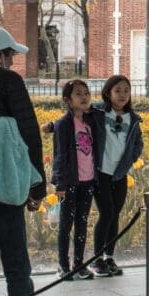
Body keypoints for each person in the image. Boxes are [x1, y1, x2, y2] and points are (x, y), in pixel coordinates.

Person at [0, 26, 45, 296]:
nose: (11, 63)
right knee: (16, 270)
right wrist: (37, 188)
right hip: (5, 189)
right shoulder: (9, 82)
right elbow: (29, 135)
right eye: (10, 56)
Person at [50, 79, 103, 281]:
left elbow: (100, 111)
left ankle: (79, 264)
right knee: (66, 225)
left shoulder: (90, 121)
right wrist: (60, 184)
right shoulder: (63, 125)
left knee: (82, 223)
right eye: (78, 94)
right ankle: (63, 266)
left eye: (86, 93)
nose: (84, 97)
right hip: (70, 182)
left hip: (88, 181)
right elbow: (60, 156)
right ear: (68, 100)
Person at [89, 75, 142, 277]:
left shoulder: (134, 119)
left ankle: (108, 257)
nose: (122, 95)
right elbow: (74, 118)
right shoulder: (97, 112)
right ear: (108, 93)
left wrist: (130, 159)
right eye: (118, 91)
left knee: (115, 216)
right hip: (101, 173)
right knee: (107, 214)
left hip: (119, 175)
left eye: (126, 91)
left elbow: (138, 144)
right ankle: (96, 260)